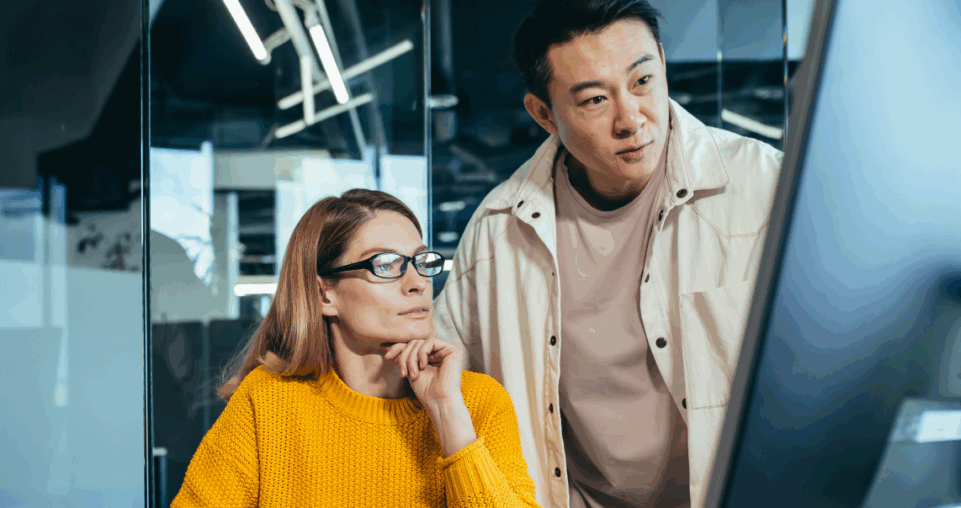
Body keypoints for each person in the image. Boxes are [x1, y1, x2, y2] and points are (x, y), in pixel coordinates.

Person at [432, 1, 782, 507]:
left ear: (662, 63)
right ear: (544, 115)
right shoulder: (497, 234)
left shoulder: (763, 190)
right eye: (595, 100)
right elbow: (436, 378)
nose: (630, 118)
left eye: (642, 81)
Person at [172, 189, 542, 508]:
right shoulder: (268, 404)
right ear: (324, 294)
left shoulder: (477, 404)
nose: (417, 284)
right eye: (386, 265)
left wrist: (447, 414)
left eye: (420, 262)